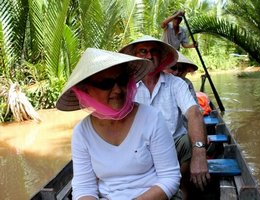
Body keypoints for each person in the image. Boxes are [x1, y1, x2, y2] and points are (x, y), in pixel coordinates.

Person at [56, 48, 181, 200]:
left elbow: (170, 177)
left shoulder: (152, 118)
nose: (117, 90)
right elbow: (84, 187)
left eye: (122, 81)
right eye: (106, 84)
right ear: (86, 90)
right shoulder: (82, 133)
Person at [119, 36, 210, 200]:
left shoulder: (176, 84)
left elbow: (194, 113)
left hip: (174, 147)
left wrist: (199, 152)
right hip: (139, 150)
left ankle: (183, 189)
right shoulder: (126, 88)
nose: (148, 56)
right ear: (134, 56)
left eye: (153, 51)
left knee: (189, 139)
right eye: (143, 51)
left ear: (161, 57)